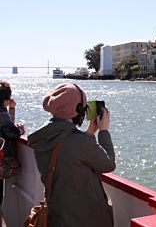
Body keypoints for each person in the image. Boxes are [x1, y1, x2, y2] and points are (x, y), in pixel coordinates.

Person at [28, 83, 116, 227]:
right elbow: (108, 164)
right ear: (78, 109)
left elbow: (68, 152)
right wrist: (104, 131)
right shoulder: (79, 142)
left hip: (58, 217)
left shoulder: (44, 137)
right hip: (84, 219)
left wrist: (89, 133)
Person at [0, 81, 25, 226]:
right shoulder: (2, 114)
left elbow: (6, 129)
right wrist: (21, 129)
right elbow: (13, 133)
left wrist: (11, 110)